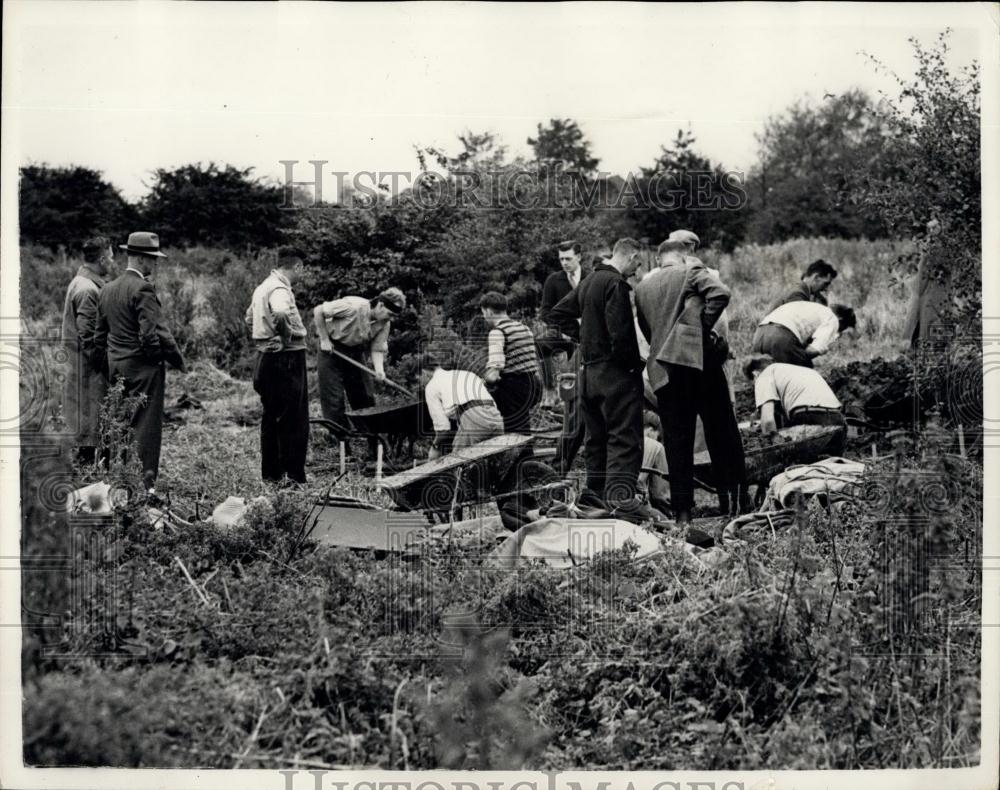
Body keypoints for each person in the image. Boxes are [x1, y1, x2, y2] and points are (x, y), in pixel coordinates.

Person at [635, 238, 749, 524]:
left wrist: (667, 347)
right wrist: (697, 331)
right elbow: (721, 294)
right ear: (684, 255)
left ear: (660, 259)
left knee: (677, 444)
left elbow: (649, 332)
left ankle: (683, 515)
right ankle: (733, 505)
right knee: (722, 435)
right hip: (700, 366)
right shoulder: (691, 269)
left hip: (665, 371)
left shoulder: (642, 288)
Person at [548, 238, 657, 523]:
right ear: (631, 255)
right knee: (624, 437)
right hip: (615, 375)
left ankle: (593, 496)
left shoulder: (588, 282)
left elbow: (557, 313)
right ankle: (621, 501)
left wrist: (584, 337)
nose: (637, 270)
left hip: (588, 374)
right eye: (638, 263)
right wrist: (634, 365)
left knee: (595, 439)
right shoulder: (614, 284)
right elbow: (621, 334)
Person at [95, 231, 185, 494]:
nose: (155, 264)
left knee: (120, 424)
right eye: (152, 259)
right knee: (146, 428)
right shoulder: (143, 288)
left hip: (116, 367)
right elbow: (150, 334)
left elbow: (99, 336)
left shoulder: (107, 288)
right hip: (143, 368)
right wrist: (155, 360)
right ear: (142, 259)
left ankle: (119, 482)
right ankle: (144, 487)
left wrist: (109, 364)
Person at [244, 249, 310, 485]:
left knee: (271, 418)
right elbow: (281, 312)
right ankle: (293, 478)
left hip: (265, 358)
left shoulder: (262, 287)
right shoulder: (280, 289)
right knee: (294, 419)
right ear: (298, 267)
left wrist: (263, 336)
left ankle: (271, 476)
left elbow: (249, 318)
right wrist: (286, 335)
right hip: (287, 358)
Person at [313, 287, 406, 435]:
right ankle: (342, 443)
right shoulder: (353, 306)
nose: (391, 318)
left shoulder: (385, 323)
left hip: (355, 352)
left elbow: (377, 348)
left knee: (365, 396)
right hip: (331, 349)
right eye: (390, 314)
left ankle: (372, 440)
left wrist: (379, 370)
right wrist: (324, 339)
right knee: (334, 400)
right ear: (381, 305)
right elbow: (319, 311)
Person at [61, 236, 113, 465]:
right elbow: (90, 340)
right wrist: (109, 368)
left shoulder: (80, 283)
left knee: (85, 423)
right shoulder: (87, 289)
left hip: (80, 368)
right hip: (87, 371)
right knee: (90, 426)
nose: (113, 262)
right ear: (102, 259)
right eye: (111, 258)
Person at [744, 354, 847, 454]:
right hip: (837, 419)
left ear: (755, 374)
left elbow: (768, 421)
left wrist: (771, 450)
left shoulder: (764, 375)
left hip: (809, 419)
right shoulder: (798, 371)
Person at [418, 353, 505, 458]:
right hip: (495, 416)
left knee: (459, 463)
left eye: (418, 379)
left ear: (424, 372)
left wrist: (435, 447)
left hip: (473, 419)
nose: (421, 383)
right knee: (496, 462)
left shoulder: (431, 386)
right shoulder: (466, 374)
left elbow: (443, 429)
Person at [479, 291, 542, 434]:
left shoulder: (497, 332)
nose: (484, 316)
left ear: (488, 310)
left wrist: (483, 382)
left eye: (483, 312)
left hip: (513, 388)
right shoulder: (525, 328)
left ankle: (520, 455)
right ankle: (526, 454)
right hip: (533, 384)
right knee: (522, 425)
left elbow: (494, 372)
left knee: (513, 430)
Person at [751, 301, 856, 368]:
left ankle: (763, 366)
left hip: (760, 335)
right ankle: (767, 366)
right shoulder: (833, 319)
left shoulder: (815, 308)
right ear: (840, 320)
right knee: (805, 370)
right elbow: (814, 349)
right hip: (781, 337)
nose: (838, 334)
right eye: (841, 329)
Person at [902, 218, 950, 350]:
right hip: (938, 293)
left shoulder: (936, 249)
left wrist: (912, 283)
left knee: (929, 324)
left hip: (935, 293)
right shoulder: (939, 248)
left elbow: (922, 279)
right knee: (932, 322)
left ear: (941, 228)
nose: (932, 231)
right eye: (929, 229)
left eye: (935, 227)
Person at [765, 259, 838, 315]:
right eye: (825, 284)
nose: (825, 289)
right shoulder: (797, 294)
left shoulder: (804, 292)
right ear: (816, 277)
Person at [638, 411, 671, 520]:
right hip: (633, 504)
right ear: (651, 431)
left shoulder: (619, 439)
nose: (658, 440)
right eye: (658, 437)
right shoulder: (656, 446)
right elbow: (660, 495)